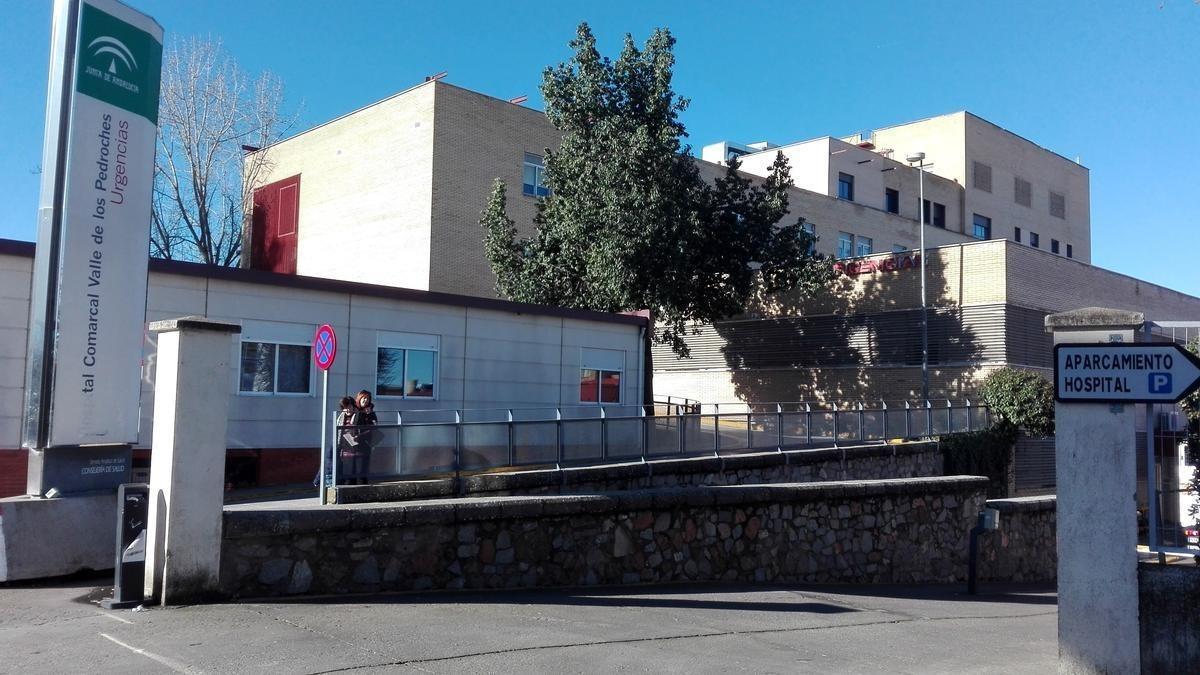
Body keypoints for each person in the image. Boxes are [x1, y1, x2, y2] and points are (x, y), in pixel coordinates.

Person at [315, 396, 357, 487]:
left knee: (337, 461)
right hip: (339, 442)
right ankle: (319, 480)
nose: (348, 410)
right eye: (345, 408)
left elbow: (357, 431)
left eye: (349, 407)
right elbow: (337, 432)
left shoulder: (357, 416)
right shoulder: (341, 417)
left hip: (351, 444)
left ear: (353, 406)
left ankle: (321, 480)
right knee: (328, 456)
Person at [349, 389, 378, 485]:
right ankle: (350, 487)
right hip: (351, 444)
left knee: (363, 469)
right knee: (351, 470)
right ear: (359, 398)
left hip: (365, 444)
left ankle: (363, 487)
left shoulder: (370, 412)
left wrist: (370, 414)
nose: (365, 400)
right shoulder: (353, 410)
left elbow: (375, 426)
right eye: (364, 398)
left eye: (367, 399)